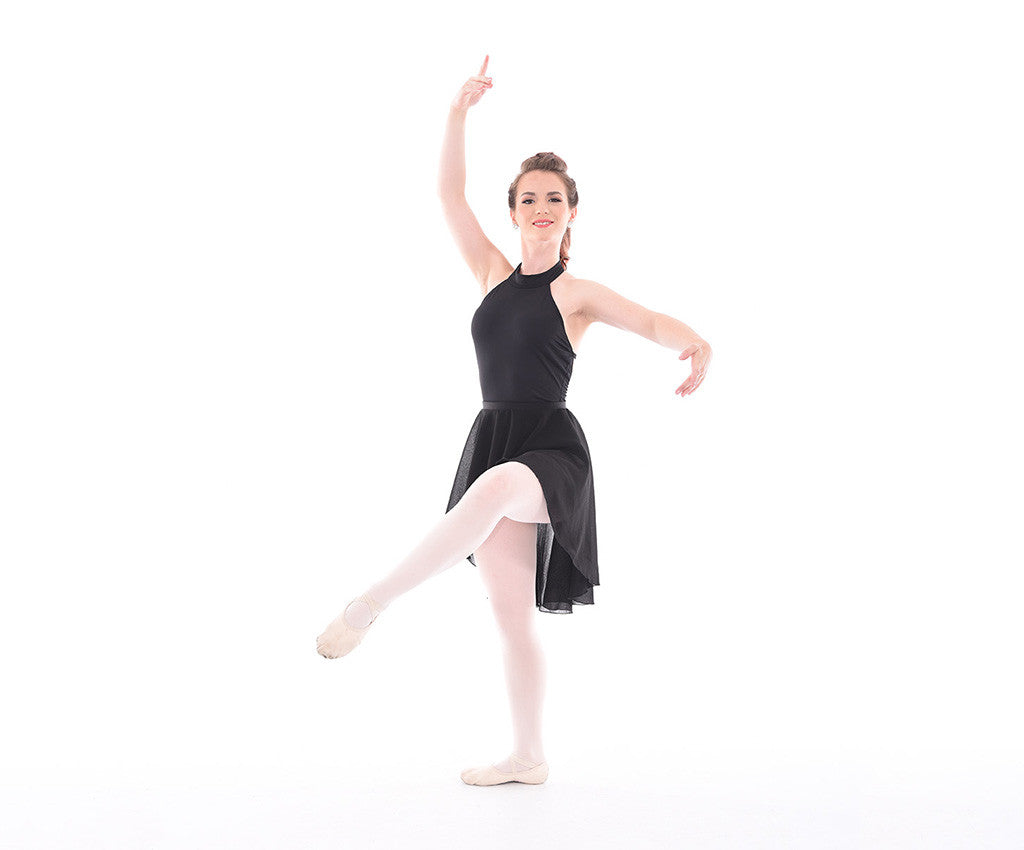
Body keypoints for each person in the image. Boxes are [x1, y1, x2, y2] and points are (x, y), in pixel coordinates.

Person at [316, 55, 712, 786]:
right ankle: (529, 757)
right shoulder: (492, 274)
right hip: (494, 436)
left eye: (553, 198)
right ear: (514, 211)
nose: (540, 207)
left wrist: (695, 342)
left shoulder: (577, 292)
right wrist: (457, 111)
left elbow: (651, 319)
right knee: (510, 615)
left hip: (550, 449)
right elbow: (447, 193)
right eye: (528, 198)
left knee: (499, 487)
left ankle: (370, 604)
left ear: (571, 212)